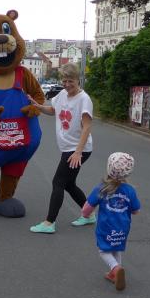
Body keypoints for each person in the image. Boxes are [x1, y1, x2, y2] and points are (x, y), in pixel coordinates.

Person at [27, 63, 94, 234]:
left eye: (70, 81)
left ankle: (49, 223)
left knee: (58, 182)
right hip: (69, 148)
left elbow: (87, 127)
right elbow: (53, 110)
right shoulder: (63, 94)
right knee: (69, 184)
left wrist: (78, 152)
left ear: (78, 80)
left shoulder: (84, 99)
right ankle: (89, 215)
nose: (67, 84)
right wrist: (39, 106)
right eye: (64, 81)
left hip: (78, 149)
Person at [80, 152, 140, 292]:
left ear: (109, 168)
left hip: (106, 226)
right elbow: (136, 211)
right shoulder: (130, 190)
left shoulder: (101, 188)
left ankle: (115, 268)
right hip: (123, 227)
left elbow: (87, 208)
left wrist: (86, 215)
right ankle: (116, 274)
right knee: (116, 248)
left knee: (103, 250)